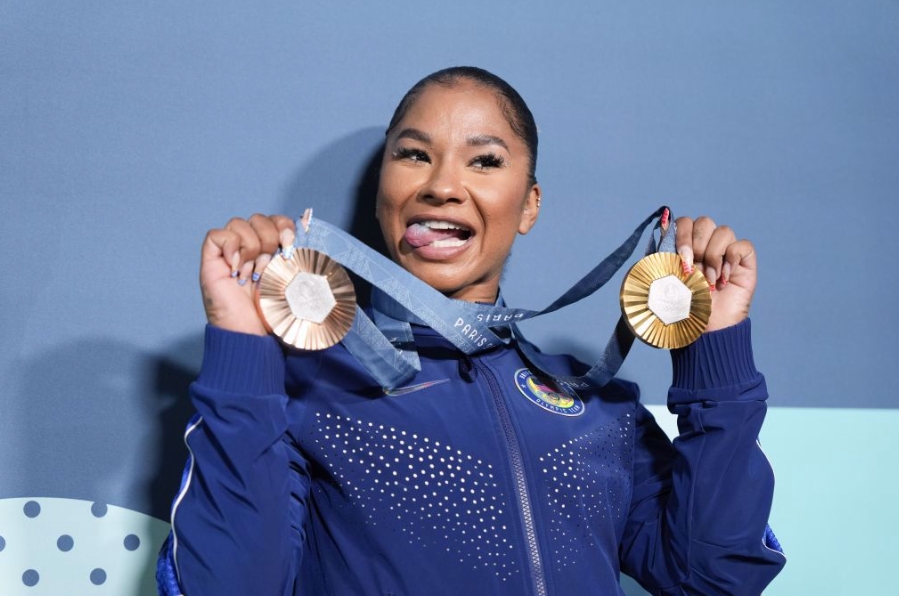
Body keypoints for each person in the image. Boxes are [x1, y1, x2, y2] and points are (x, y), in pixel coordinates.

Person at [157, 66, 786, 596]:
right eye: (414, 155)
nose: (441, 186)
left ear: (529, 204)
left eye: (484, 160)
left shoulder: (601, 410)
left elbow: (716, 579)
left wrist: (714, 350)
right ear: (382, 193)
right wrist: (243, 349)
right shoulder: (303, 391)